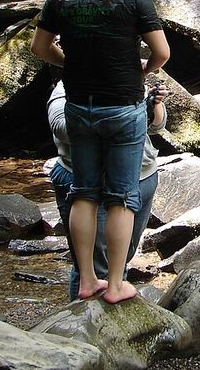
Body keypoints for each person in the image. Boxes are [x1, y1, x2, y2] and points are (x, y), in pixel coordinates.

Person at [31, 0, 170, 304]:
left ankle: (87, 281)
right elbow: (162, 52)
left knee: (84, 191)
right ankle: (115, 285)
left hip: (79, 105)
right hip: (123, 107)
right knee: (122, 198)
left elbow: (39, 46)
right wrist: (141, 72)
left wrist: (68, 62)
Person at [45, 79, 167, 301]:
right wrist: (114, 115)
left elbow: (158, 126)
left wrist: (151, 104)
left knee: (121, 258)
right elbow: (61, 128)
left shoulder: (126, 78)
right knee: (92, 267)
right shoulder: (67, 88)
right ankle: (84, 330)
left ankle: (114, 308)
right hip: (91, 185)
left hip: (142, 177)